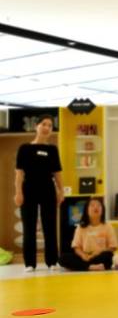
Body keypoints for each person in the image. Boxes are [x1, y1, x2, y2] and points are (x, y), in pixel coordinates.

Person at [14, 114, 64, 272]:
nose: (47, 127)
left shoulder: (52, 149)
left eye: (50, 125)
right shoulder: (24, 148)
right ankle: (30, 263)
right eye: (44, 124)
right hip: (28, 190)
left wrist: (61, 191)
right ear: (36, 126)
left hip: (48, 190)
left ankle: (52, 261)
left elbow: (57, 173)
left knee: (50, 226)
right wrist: (18, 193)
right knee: (29, 227)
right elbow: (19, 174)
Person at [59, 197, 117, 271]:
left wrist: (97, 253)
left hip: (100, 256)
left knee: (109, 256)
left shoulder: (108, 226)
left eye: (99, 205)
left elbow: (112, 247)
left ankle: (82, 266)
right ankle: (90, 267)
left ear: (103, 210)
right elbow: (76, 247)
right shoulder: (80, 227)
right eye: (92, 205)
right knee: (63, 258)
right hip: (85, 257)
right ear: (86, 210)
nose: (96, 207)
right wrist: (83, 255)